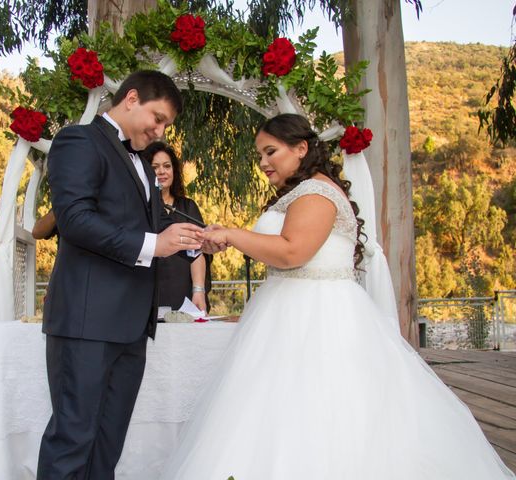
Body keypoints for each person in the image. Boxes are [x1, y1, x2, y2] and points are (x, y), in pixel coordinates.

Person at [160, 113, 515, 479]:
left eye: (271, 152)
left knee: (323, 411)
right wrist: (226, 239)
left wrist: (233, 235)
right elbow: (280, 250)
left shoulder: (316, 192)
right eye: (260, 155)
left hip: (318, 318)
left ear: (301, 148)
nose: (263, 163)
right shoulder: (301, 192)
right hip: (284, 313)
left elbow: (292, 252)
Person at [37, 70, 204, 480]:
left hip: (132, 327)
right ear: (131, 98)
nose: (160, 130)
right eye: (158, 117)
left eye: (165, 124)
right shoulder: (78, 140)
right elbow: (75, 220)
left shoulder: (144, 166)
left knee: (108, 442)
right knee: (73, 437)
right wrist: (154, 245)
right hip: (87, 321)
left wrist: (196, 238)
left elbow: (151, 224)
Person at [142, 141, 211, 312]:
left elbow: (197, 252)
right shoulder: (137, 207)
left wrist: (199, 291)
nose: (161, 172)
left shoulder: (187, 207)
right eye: (155, 167)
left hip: (183, 293)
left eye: (167, 166)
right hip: (145, 293)